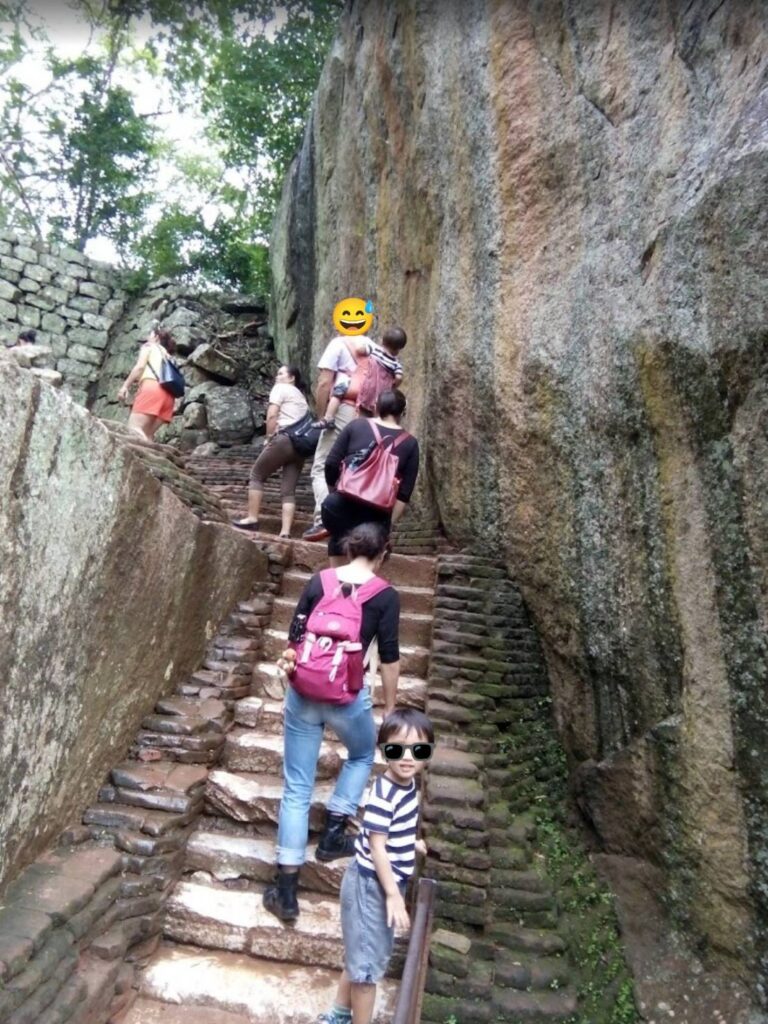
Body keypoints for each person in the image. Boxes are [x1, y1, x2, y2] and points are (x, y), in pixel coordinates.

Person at [263, 523, 401, 924]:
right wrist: (390, 707)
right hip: (348, 697)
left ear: (349, 548)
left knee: (297, 788)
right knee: (362, 754)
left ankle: (286, 892)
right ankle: (333, 833)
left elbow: (295, 634)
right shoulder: (386, 595)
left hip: (304, 693)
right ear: (383, 553)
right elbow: (389, 656)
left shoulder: (319, 580)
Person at [316, 707, 434, 1024]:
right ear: (384, 751)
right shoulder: (385, 792)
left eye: (418, 750)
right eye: (397, 749)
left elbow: (389, 830)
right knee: (366, 970)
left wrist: (409, 842)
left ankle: (338, 1015)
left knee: (361, 955)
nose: (407, 757)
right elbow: (375, 844)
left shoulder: (408, 785)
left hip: (381, 880)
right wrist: (393, 895)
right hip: (371, 885)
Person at [321, 389, 419, 567]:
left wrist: (335, 491)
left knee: (340, 535)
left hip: (339, 505)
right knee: (366, 555)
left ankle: (337, 580)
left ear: (376, 407)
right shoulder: (410, 443)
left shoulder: (356, 426)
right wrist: (387, 525)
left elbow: (331, 464)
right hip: (376, 514)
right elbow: (404, 494)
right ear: (403, 411)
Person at [303, 332, 370, 542]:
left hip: (343, 410)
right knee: (352, 467)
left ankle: (324, 519)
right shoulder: (373, 347)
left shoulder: (338, 344)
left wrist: (323, 416)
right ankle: (352, 522)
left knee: (322, 465)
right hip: (368, 414)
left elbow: (324, 382)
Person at [233, 365, 309, 539]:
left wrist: (268, 437)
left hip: (284, 440)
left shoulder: (280, 388)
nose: (277, 377)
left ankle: (252, 518)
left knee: (257, 475)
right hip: (301, 446)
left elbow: (272, 414)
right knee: (288, 490)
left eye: (281, 373)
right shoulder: (301, 397)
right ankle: (285, 531)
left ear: (291, 378)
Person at [314, 327, 406, 428]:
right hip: (372, 408)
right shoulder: (391, 360)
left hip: (345, 408)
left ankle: (327, 418)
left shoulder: (338, 343)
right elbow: (398, 377)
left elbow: (324, 383)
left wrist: (320, 415)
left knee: (338, 394)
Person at [117, 328, 177, 441]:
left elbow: (139, 367)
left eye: (150, 335)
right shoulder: (168, 356)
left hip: (152, 388)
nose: (147, 338)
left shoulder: (149, 346)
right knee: (148, 435)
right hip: (169, 396)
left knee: (135, 429)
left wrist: (125, 386)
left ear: (156, 337)